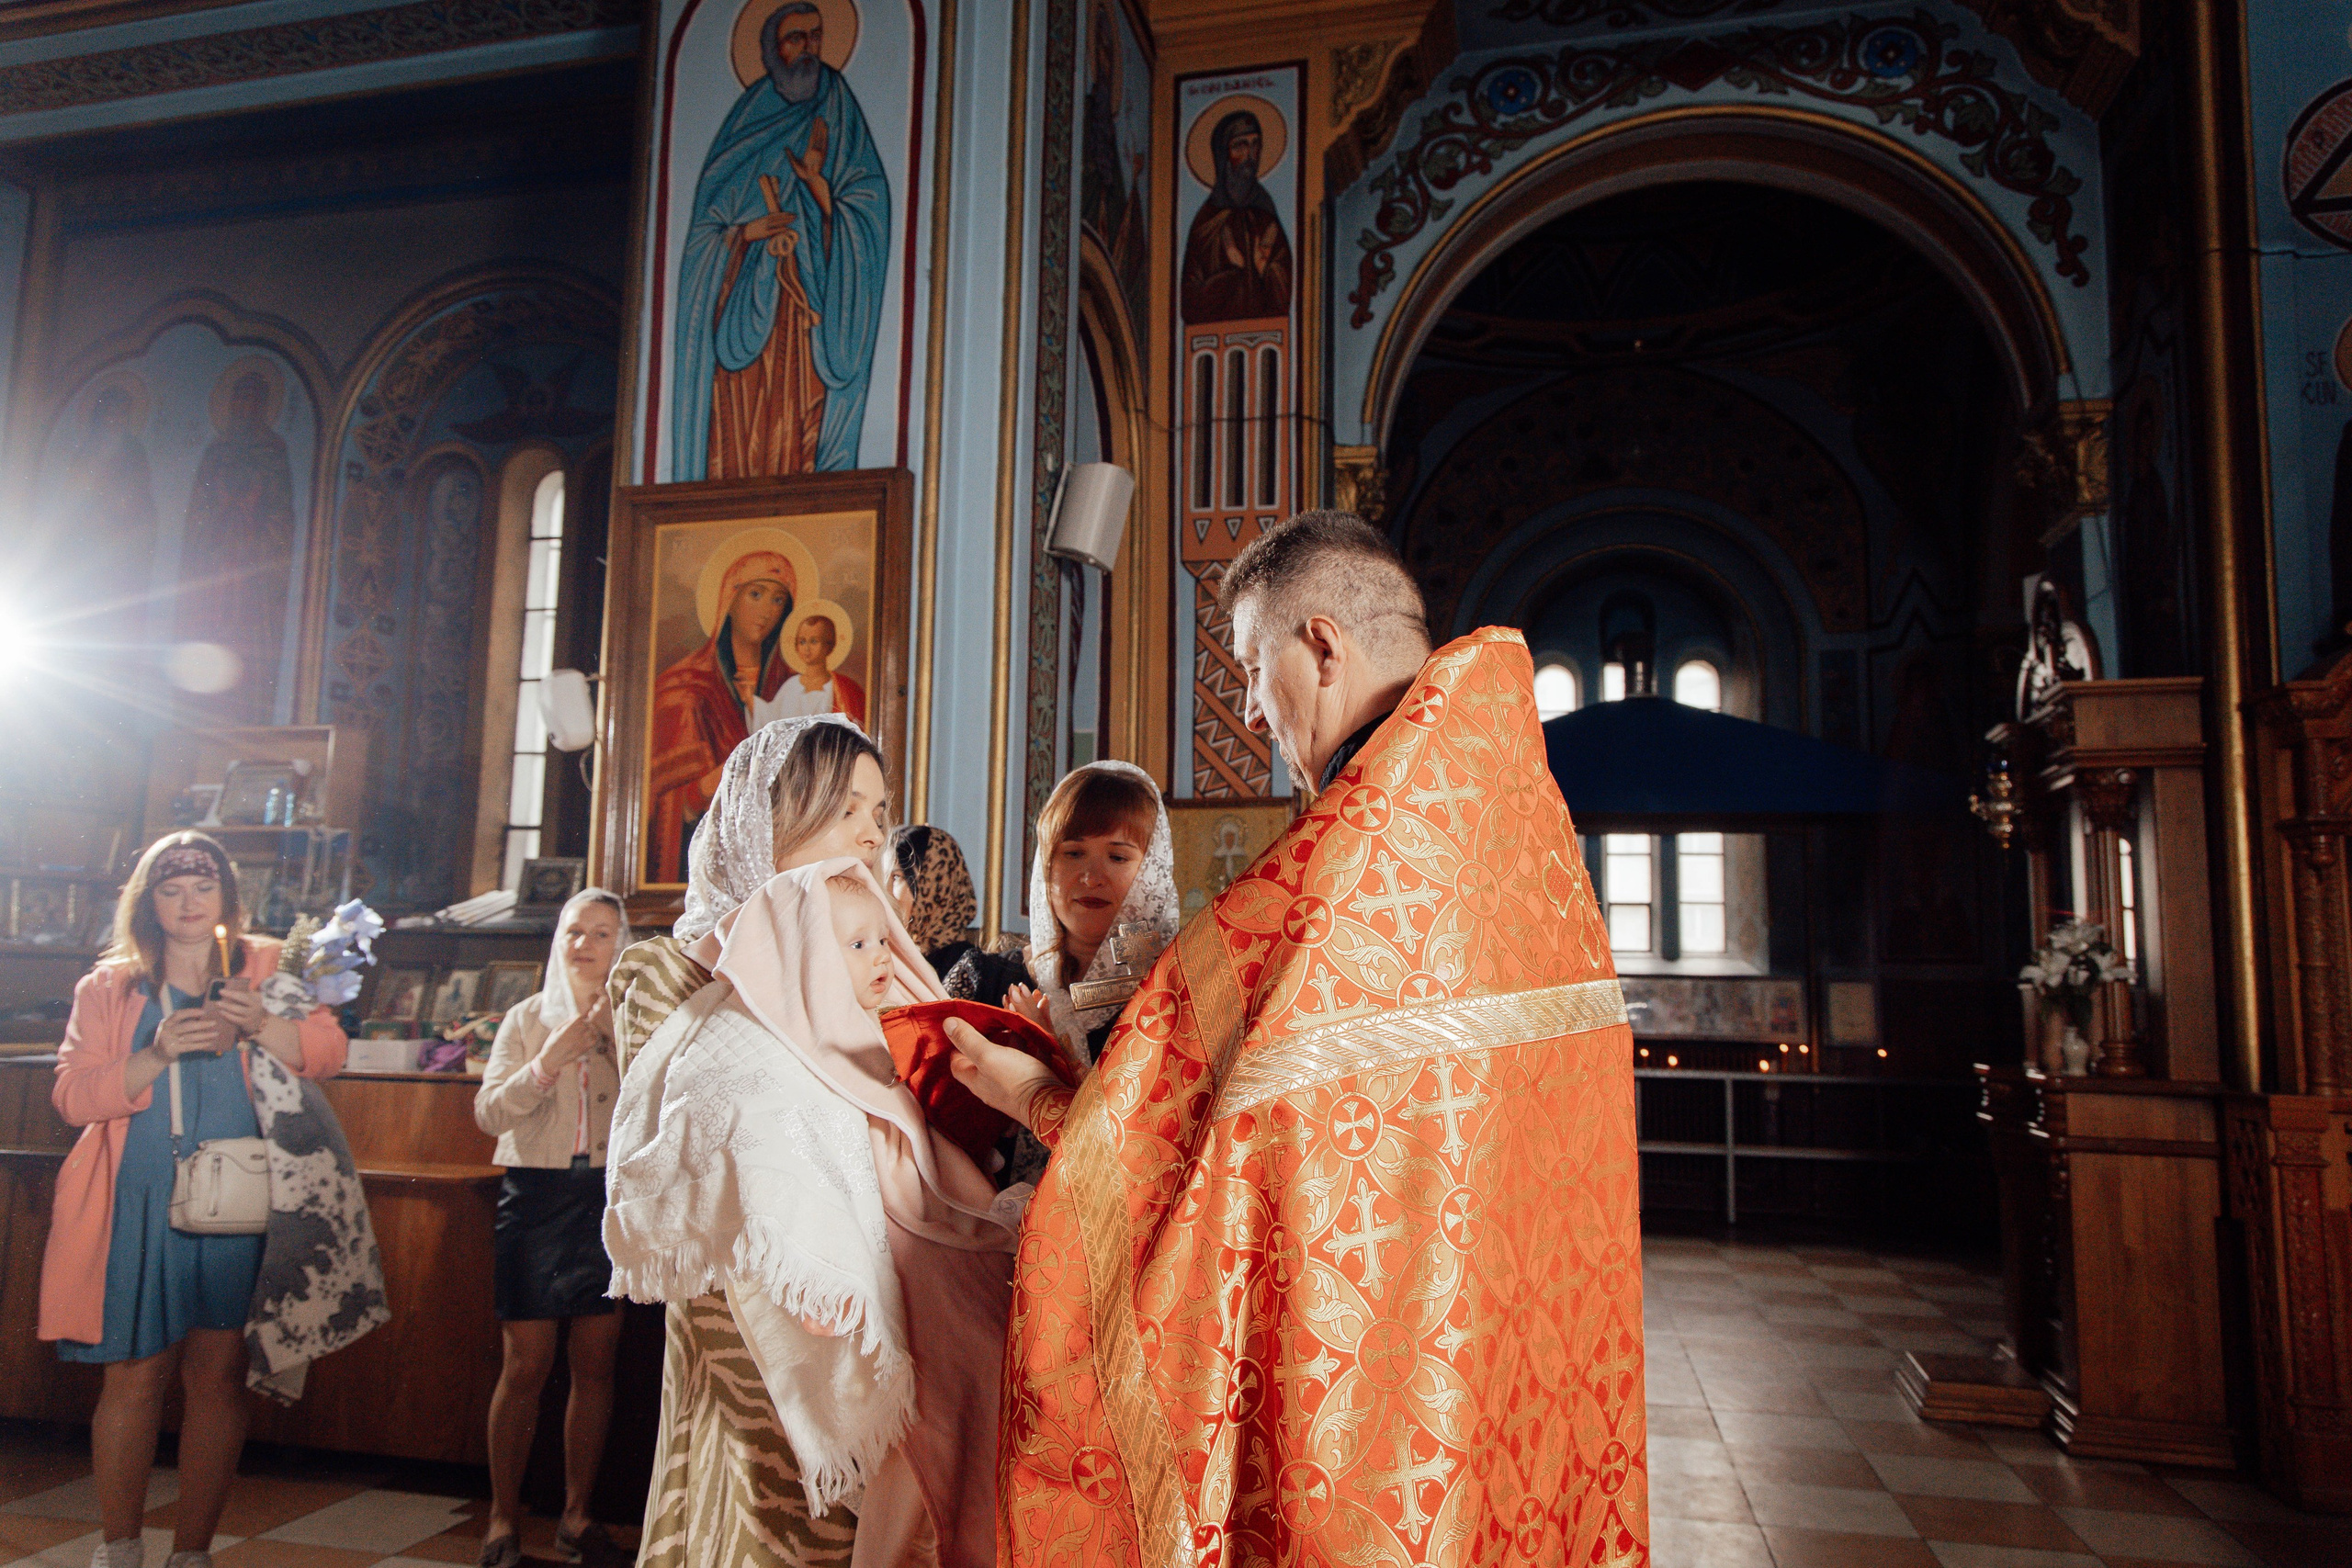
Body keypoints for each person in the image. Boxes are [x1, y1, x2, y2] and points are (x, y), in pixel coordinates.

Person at [948, 512, 1649, 1566]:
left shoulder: (1346, 871)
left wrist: (1028, 1097)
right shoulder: (1523, 829)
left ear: (1320, 645)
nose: (1247, 704)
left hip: (1378, 1419)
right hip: (1523, 1380)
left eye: (1249, 665)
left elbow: (1173, 1150)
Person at [605, 715, 1017, 1568]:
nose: (876, 831)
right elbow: (722, 1142)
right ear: (776, 819)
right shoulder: (668, 971)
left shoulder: (873, 955)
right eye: (848, 809)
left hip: (891, 1337)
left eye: (881, 807)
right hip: (757, 1349)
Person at [41, 831, 383, 1568]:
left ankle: (191, 1553)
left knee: (220, 1374)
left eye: (203, 887)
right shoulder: (109, 985)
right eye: (171, 888)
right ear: (148, 900)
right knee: (132, 1374)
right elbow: (71, 1096)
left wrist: (262, 1021)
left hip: (242, 1195)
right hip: (135, 1196)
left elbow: (327, 1054)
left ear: (228, 896)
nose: (188, 902)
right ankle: (120, 1548)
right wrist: (154, 1051)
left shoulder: (269, 964)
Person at [471, 888, 632, 1568]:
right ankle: (503, 1519)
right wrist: (551, 1058)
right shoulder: (527, 1016)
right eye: (574, 930)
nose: (584, 944)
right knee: (526, 1363)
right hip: (534, 1196)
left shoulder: (637, 1018)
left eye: (600, 932)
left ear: (620, 944)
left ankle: (576, 1513)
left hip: (604, 1196)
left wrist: (613, 1037)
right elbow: (488, 1112)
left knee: (595, 1363)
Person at [647, 547, 796, 882]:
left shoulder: (793, 685)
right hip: (708, 865)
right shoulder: (684, 687)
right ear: (729, 598)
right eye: (755, 594)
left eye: (778, 600)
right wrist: (716, 781)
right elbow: (664, 800)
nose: (767, 611)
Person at [881, 825, 978, 976]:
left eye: (896, 877)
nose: (886, 891)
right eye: (883, 877)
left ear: (935, 885)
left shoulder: (966, 970)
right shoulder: (884, 953)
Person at [756, 612, 867, 726]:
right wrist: (749, 699)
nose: (807, 648)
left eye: (814, 641)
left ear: (829, 645)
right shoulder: (790, 686)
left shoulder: (845, 688)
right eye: (802, 641)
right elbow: (772, 721)